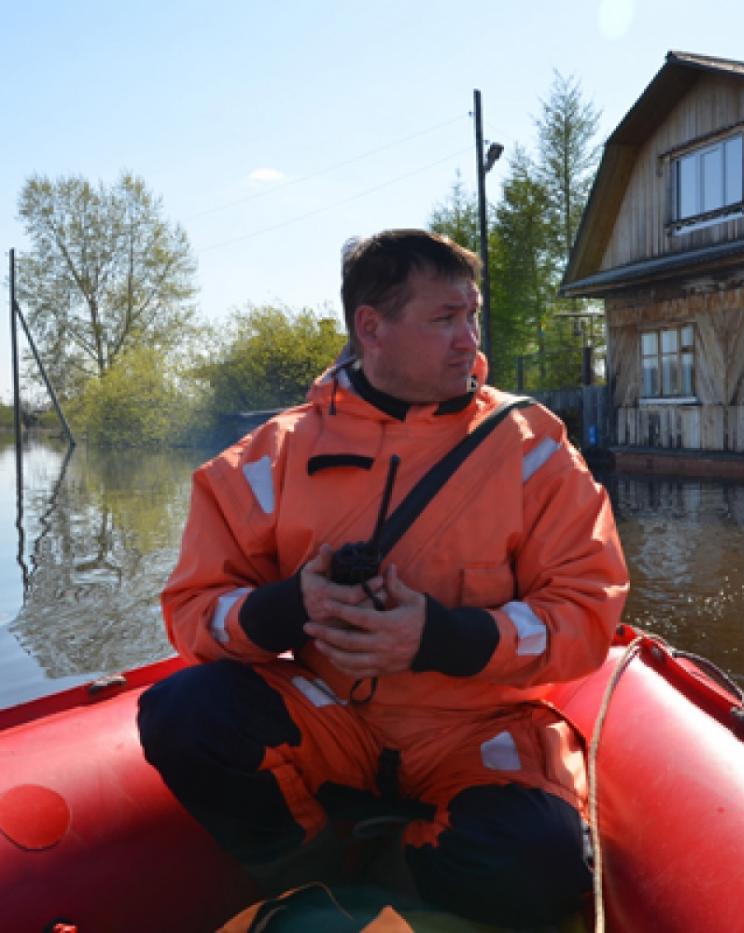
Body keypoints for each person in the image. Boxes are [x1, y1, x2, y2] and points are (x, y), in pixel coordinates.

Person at [137, 229, 628, 927]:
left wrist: (435, 638)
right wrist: (288, 607)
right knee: (183, 713)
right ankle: (308, 875)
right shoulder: (267, 459)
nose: (469, 339)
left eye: (472, 315)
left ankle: (388, 864)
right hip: (329, 715)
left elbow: (587, 613)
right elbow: (194, 612)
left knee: (542, 857)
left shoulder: (534, 449)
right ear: (372, 327)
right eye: (444, 319)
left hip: (475, 727)